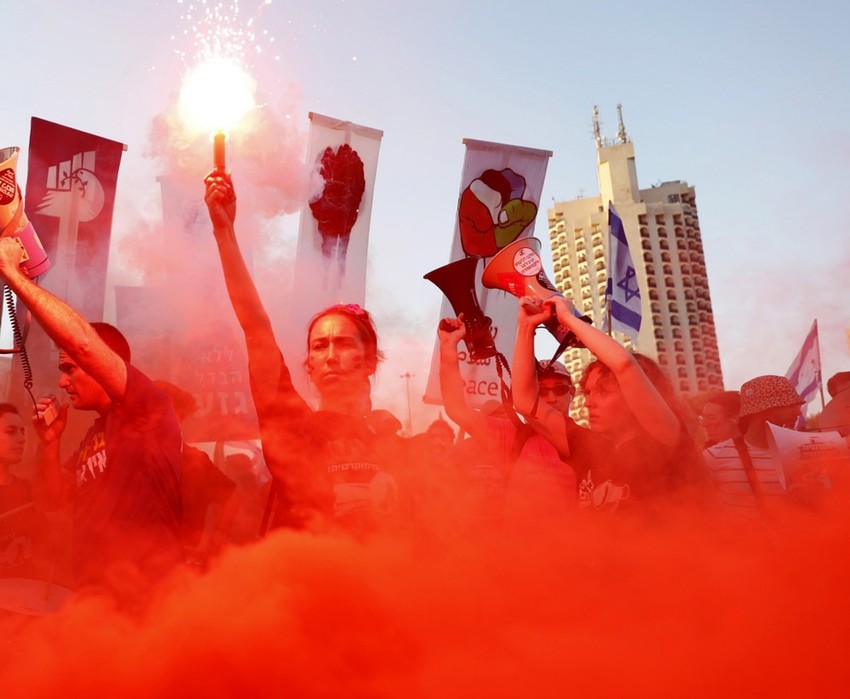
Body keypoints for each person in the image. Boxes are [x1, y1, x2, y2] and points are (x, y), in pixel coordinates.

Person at [204, 171, 403, 536]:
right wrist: (225, 234)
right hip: (306, 571)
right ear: (308, 366)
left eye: (344, 344)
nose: (330, 355)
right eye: (319, 346)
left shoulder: (394, 446)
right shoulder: (293, 427)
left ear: (370, 361)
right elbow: (256, 328)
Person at [0, 238, 183, 597]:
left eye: (69, 369)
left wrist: (14, 277)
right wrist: (49, 445)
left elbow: (83, 344)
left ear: (103, 364)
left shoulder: (146, 408)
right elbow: (51, 500)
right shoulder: (93, 437)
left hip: (146, 600)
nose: (62, 382)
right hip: (95, 601)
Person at [511, 294, 701, 513]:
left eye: (602, 392)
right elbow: (525, 401)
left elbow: (624, 365)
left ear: (634, 395)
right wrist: (526, 327)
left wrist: (569, 320)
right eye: (588, 392)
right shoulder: (590, 447)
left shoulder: (666, 439)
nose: (589, 403)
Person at [438, 315, 576, 533]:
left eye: (559, 389)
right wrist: (448, 345)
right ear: (531, 394)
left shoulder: (589, 442)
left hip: (573, 551)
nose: (551, 398)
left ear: (572, 393)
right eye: (542, 390)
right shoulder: (513, 437)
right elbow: (457, 409)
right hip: (518, 551)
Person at [703, 375, 830, 518]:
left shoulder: (806, 453)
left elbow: (829, 509)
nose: (798, 412)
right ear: (763, 410)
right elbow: (701, 513)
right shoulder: (714, 457)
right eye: (789, 405)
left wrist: (814, 494)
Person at [0, 404, 49, 581]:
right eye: (11, 431)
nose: (22, 439)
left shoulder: (28, 490)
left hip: (27, 593)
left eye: (22, 432)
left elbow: (47, 547)